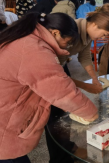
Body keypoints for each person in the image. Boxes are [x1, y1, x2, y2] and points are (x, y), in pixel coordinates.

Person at [0, 12, 99, 162]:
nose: (68, 47)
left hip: (7, 106)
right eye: (68, 42)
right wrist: (90, 112)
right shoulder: (34, 50)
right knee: (10, 156)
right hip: (4, 120)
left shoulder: (27, 37)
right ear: (55, 33)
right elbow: (61, 91)